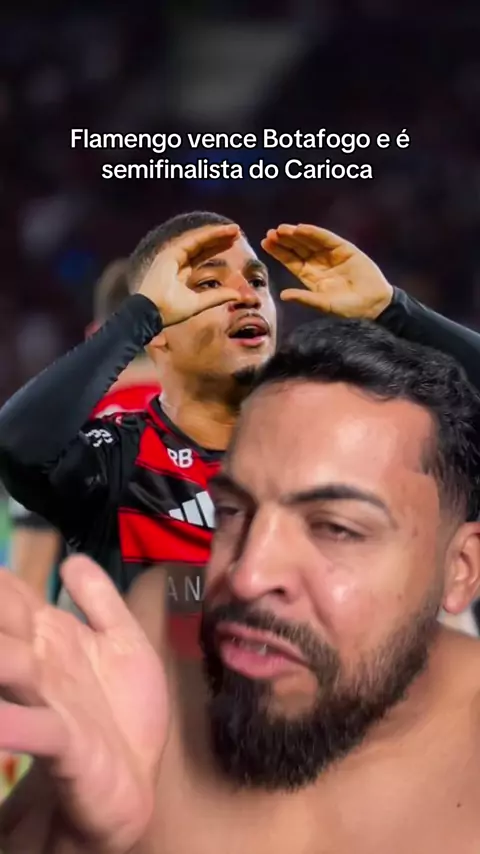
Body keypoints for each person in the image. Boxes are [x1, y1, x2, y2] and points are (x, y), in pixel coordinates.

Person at [2, 318, 480, 852]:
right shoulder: (160, 631)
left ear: (460, 568)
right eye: (231, 510)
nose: (248, 577)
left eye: (336, 528)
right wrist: (78, 835)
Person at [2, 214, 480, 658]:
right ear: (157, 328)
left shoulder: (344, 450)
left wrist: (394, 310)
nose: (245, 296)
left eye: (256, 281)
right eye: (208, 285)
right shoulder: (116, 463)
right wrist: (139, 315)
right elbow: (16, 444)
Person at [5, 258, 161, 606]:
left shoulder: (47, 432)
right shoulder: (224, 418)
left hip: (96, 630)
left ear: (95, 338)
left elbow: (26, 595)